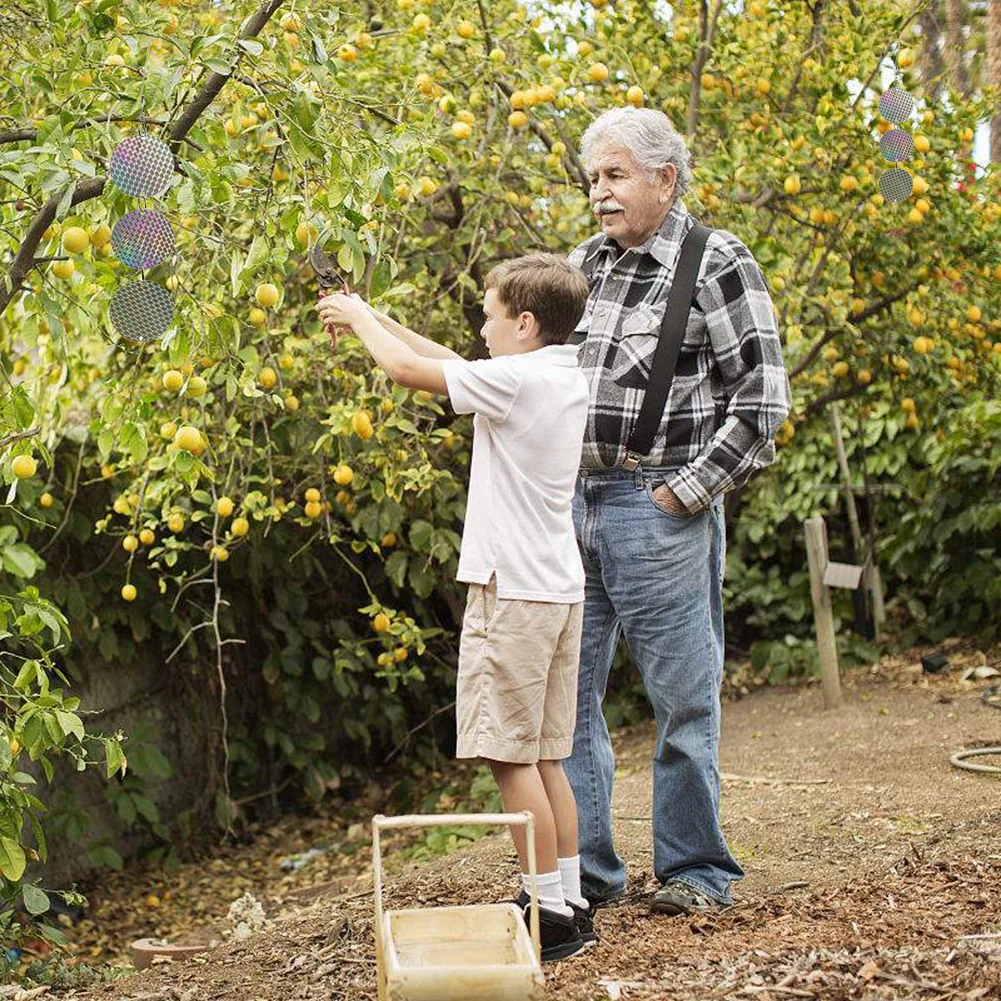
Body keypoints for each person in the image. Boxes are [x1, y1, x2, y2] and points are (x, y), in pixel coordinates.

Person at [317, 253, 595, 962]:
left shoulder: (521, 379)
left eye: (490, 312)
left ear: (524, 323)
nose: (480, 324)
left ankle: (547, 910)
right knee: (546, 756)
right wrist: (372, 314)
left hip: (513, 593)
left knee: (507, 758)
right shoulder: (556, 371)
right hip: (557, 589)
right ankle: (567, 901)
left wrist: (353, 320)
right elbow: (444, 360)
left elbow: (411, 373)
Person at [563, 107, 792, 917]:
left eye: (616, 174)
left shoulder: (716, 259)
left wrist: (679, 493)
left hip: (656, 505)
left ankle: (696, 870)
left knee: (682, 698)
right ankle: (582, 873)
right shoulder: (581, 264)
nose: (600, 192)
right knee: (567, 696)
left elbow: (762, 404)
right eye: (593, 177)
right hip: (571, 504)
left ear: (665, 178)